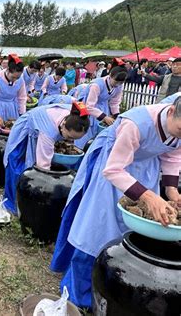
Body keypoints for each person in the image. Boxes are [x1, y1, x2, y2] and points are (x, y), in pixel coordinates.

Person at [51, 97, 181, 309]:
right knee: (97, 226)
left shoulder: (178, 126)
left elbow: (173, 156)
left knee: (132, 229)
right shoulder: (137, 123)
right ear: (171, 112)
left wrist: (172, 191)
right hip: (114, 165)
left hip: (144, 168)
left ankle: (113, 286)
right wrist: (148, 197)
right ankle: (79, 293)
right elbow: (113, 170)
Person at [3, 102, 90, 214]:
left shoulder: (76, 117)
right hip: (26, 129)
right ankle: (16, 203)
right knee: (18, 165)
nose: (70, 141)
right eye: (69, 137)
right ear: (63, 125)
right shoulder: (48, 133)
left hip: (43, 130)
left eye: (75, 139)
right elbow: (43, 167)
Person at [74, 63, 127, 149]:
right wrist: (105, 117)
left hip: (103, 108)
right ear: (110, 75)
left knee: (99, 136)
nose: (118, 84)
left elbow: (114, 103)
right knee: (85, 135)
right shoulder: (97, 85)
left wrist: (117, 116)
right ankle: (80, 152)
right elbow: (89, 106)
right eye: (116, 81)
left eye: (121, 82)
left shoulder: (119, 86)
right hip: (87, 108)